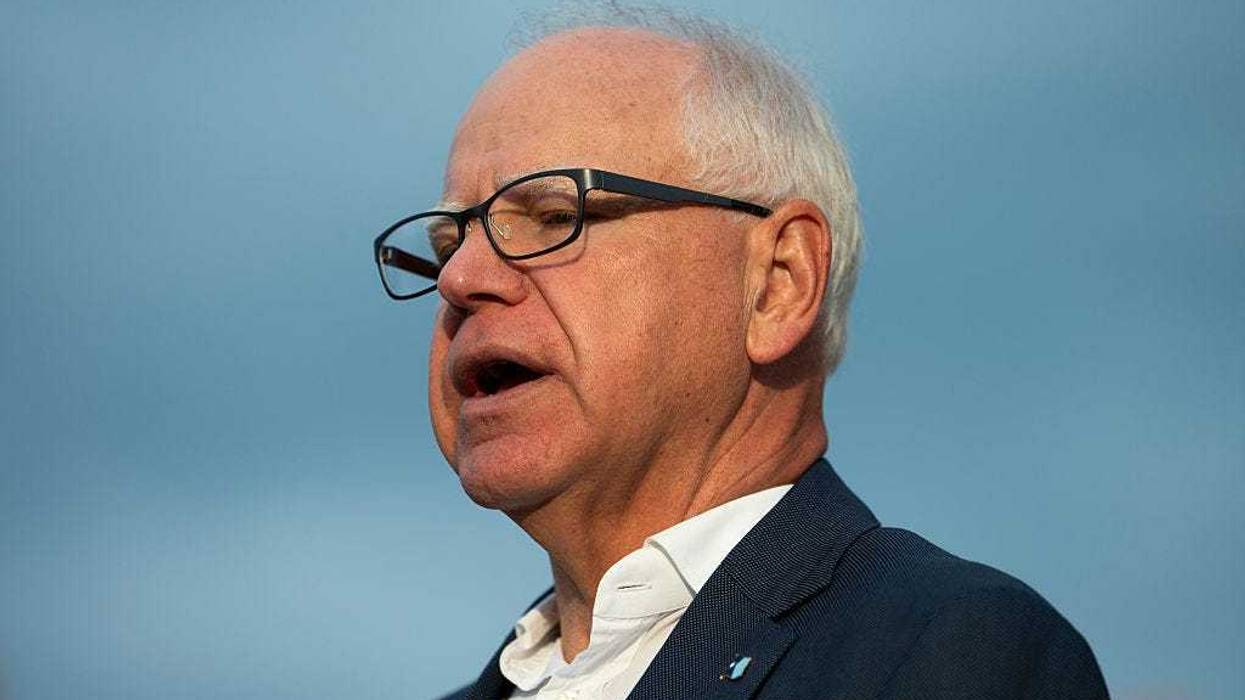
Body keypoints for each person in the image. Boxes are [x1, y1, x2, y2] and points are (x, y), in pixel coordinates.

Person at [373, 5, 1108, 699]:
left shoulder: (945, 652)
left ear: (778, 283)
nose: (461, 278)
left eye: (553, 215)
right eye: (447, 244)